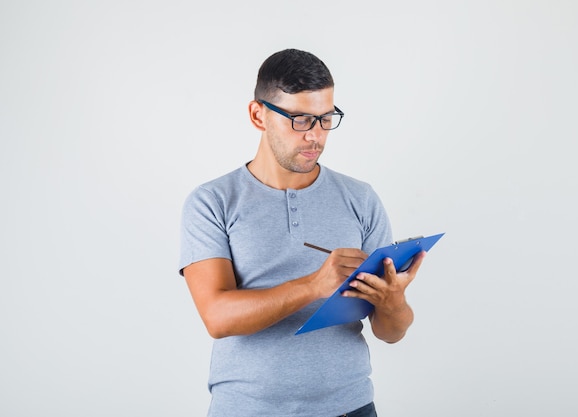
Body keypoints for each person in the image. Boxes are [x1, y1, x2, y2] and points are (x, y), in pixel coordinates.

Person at [179, 48, 426, 417]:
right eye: (299, 119)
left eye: (326, 119)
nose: (315, 136)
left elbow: (391, 331)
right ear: (258, 115)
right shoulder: (212, 201)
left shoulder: (360, 198)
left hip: (351, 407)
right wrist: (314, 284)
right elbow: (217, 317)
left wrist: (393, 303)